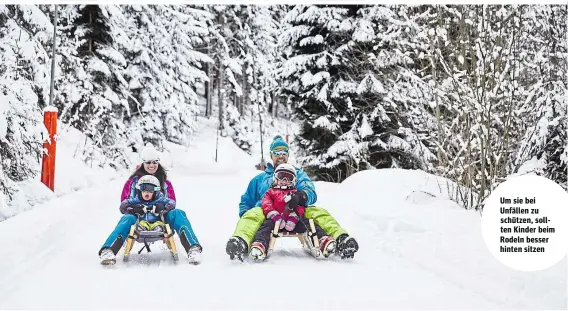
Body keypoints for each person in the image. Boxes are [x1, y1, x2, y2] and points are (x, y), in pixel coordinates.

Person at [226, 135, 359, 261]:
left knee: (318, 212)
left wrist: (302, 196)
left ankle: (341, 239)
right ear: (271, 155)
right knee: (254, 213)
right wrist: (247, 218)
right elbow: (246, 201)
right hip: (268, 216)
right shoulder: (260, 179)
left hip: (296, 214)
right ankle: (240, 241)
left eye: (284, 152)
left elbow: (309, 189)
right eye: (277, 153)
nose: (281, 156)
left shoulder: (297, 174)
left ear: (288, 155)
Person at [99, 143, 203, 264]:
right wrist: (134, 209)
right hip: (138, 218)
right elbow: (124, 202)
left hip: (161, 218)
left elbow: (172, 202)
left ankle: (193, 248)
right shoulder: (132, 182)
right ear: (143, 163)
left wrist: (164, 208)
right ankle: (108, 250)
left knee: (178, 213)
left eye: (155, 162)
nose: (152, 165)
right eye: (148, 162)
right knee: (126, 218)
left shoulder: (165, 183)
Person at [249, 163, 336, 260]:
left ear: (294, 180)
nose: (284, 181)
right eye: (281, 177)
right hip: (275, 221)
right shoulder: (270, 192)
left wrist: (294, 217)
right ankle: (260, 244)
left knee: (308, 224)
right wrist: (274, 215)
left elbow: (301, 206)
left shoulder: (294, 193)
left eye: (289, 178)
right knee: (265, 226)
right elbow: (266, 204)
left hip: (293, 221)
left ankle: (322, 239)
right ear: (275, 178)